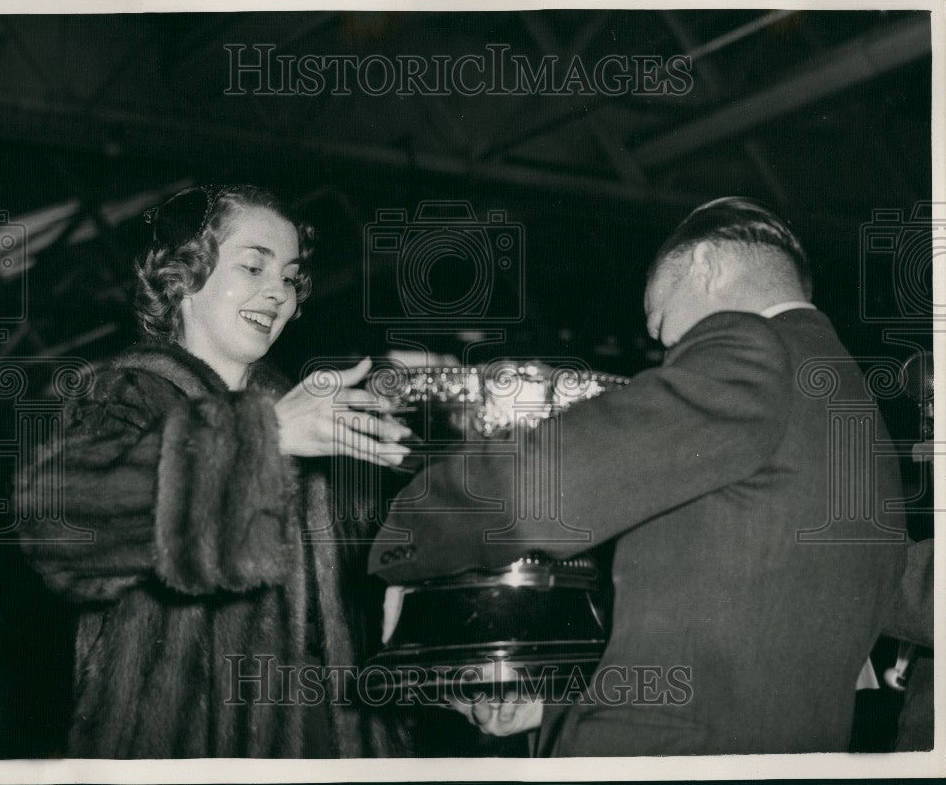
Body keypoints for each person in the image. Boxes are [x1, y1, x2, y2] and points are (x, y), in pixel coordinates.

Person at [369, 197, 907, 754]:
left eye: (662, 322)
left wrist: (408, 536)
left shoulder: (751, 345)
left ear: (706, 265)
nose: (665, 347)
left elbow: (543, 493)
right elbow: (740, 627)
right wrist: (552, 708)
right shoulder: (852, 406)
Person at [17, 184, 413, 757]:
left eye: (290, 276)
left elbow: (382, 586)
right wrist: (262, 438)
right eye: (254, 266)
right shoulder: (125, 391)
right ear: (183, 275)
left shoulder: (316, 419)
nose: (277, 292)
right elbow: (59, 530)